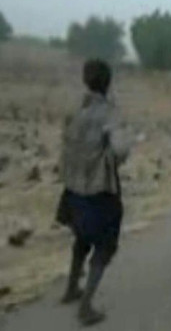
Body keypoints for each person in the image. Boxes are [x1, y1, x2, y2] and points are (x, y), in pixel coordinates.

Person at [56, 59, 130, 326]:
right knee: (105, 244)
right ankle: (86, 306)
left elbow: (64, 141)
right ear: (108, 83)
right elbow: (121, 150)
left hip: (73, 187)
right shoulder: (109, 113)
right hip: (100, 189)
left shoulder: (76, 109)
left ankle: (71, 289)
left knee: (81, 237)